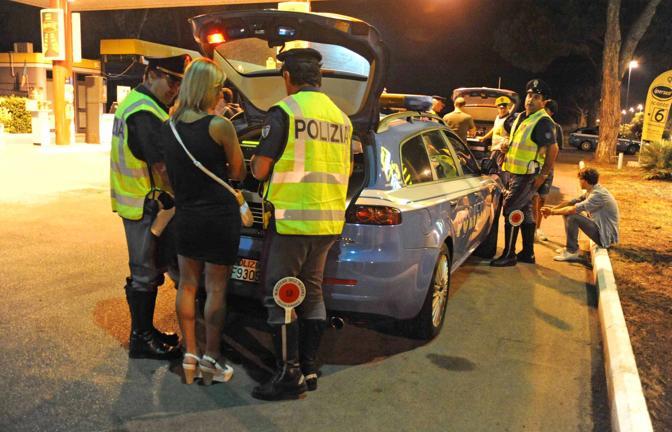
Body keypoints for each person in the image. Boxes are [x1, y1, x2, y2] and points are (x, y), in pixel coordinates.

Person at [249, 47, 352, 401]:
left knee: (279, 295)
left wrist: (254, 165)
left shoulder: (285, 112)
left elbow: (260, 170)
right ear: (319, 79)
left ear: (287, 77)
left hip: (292, 221)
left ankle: (287, 375)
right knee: (313, 293)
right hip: (328, 221)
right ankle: (308, 368)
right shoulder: (342, 118)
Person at [160, 58, 247, 384]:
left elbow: (167, 176)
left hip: (187, 216)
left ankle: (190, 357)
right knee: (215, 289)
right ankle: (211, 358)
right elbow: (238, 172)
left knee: (186, 285)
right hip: (219, 218)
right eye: (218, 88)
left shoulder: (167, 127)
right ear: (210, 89)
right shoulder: (219, 126)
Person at [110, 54, 191, 360]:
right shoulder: (145, 112)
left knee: (149, 268)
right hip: (147, 202)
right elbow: (162, 167)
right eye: (171, 80)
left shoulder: (138, 103)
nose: (175, 88)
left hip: (137, 199)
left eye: (180, 83)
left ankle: (146, 331)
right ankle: (141, 339)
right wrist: (185, 195)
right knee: (144, 271)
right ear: (151, 74)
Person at [490, 79, 559, 267]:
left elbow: (553, 149)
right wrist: (506, 146)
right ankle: (528, 253)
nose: (530, 100)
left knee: (511, 208)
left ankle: (509, 254)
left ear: (544, 102)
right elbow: (518, 141)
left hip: (528, 175)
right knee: (526, 212)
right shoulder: (522, 117)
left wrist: (543, 175)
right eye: (529, 95)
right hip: (515, 172)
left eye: (536, 97)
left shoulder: (543, 121)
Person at [541, 167, 619, 261]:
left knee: (572, 217)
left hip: (604, 236)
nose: (579, 182)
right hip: (599, 228)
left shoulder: (597, 195)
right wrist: (552, 209)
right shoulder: (593, 189)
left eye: (580, 180)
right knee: (567, 213)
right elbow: (571, 203)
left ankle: (572, 251)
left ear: (585, 181)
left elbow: (573, 210)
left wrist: (552, 212)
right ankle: (571, 248)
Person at [533, 99, 563, 242]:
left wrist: (546, 170)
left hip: (547, 169)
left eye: (543, 108)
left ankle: (537, 228)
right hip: (533, 167)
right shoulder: (533, 123)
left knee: (541, 199)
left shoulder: (556, 128)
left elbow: (556, 150)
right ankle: (530, 228)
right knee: (533, 199)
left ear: (549, 111)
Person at [479, 95, 515, 176]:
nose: (502, 110)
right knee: (492, 168)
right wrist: (484, 137)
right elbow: (494, 129)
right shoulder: (498, 117)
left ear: (508, 107)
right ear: (497, 108)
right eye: (500, 108)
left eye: (504, 107)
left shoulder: (510, 119)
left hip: (502, 149)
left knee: (501, 170)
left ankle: (503, 183)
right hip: (495, 148)